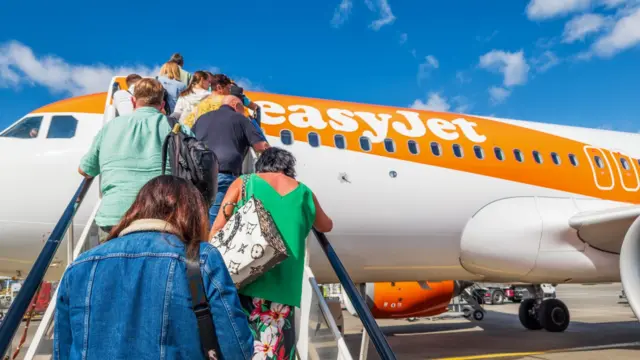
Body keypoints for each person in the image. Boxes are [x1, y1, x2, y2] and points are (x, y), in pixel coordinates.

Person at [54, 175, 254, 359]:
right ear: (193, 214)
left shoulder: (79, 267)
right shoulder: (202, 259)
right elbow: (236, 347)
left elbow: (63, 351)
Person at [210, 147, 333, 359]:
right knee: (276, 351)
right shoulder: (304, 192)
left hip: (245, 279)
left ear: (262, 165)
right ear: (288, 167)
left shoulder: (245, 183)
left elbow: (217, 228)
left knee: (241, 348)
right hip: (284, 290)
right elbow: (326, 225)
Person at [78, 78, 194, 243]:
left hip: (115, 216)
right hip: (164, 216)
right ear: (162, 104)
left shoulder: (110, 127)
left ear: (133, 100)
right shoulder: (178, 128)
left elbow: (85, 170)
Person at [192, 95, 270, 226]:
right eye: (242, 108)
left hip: (196, 175)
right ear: (235, 104)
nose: (244, 111)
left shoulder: (202, 118)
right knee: (216, 223)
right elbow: (260, 146)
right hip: (222, 174)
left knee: (197, 218)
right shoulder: (240, 118)